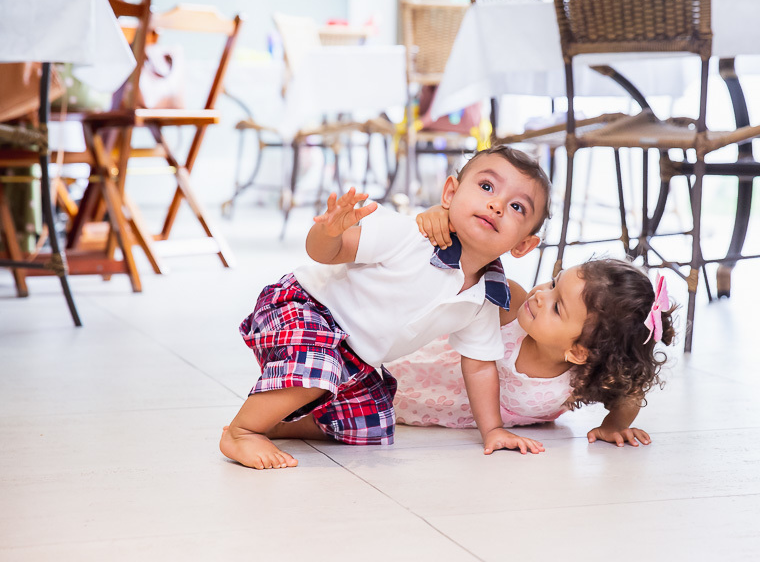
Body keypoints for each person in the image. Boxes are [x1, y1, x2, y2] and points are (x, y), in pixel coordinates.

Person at [220, 146, 553, 469]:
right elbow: (327, 253)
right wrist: (329, 231)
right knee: (318, 370)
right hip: (303, 306)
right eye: (486, 187)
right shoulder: (410, 235)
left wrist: (492, 429)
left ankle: (278, 420)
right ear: (450, 193)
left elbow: (479, 366)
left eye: (517, 207)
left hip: (355, 354)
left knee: (372, 425)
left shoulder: (485, 298)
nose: (496, 205)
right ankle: (242, 431)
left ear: (523, 244)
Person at [394, 208, 674, 445]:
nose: (540, 295)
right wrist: (444, 221)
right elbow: (467, 262)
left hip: (425, 409)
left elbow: (630, 393)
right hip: (407, 364)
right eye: (554, 283)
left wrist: (614, 425)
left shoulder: (579, 379)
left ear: (578, 352)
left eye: (556, 307)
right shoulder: (510, 303)